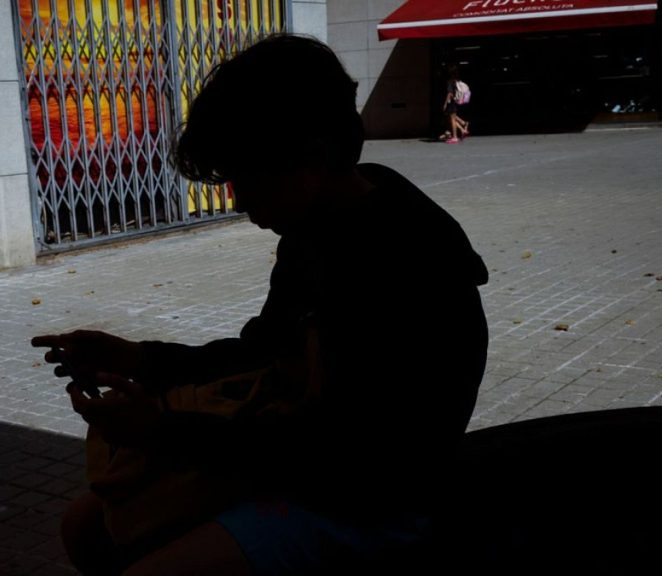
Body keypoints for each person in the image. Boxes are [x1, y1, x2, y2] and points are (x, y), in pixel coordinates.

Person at [33, 34, 489, 575]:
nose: (236, 198)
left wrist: (160, 430)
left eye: (244, 176)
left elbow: (336, 453)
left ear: (312, 160)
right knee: (85, 525)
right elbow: (263, 350)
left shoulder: (400, 265)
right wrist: (138, 359)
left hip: (377, 502)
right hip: (313, 462)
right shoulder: (319, 227)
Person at [441, 65, 469, 144]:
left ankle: (455, 137)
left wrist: (445, 103)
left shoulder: (450, 81)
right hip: (454, 101)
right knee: (452, 117)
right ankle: (463, 127)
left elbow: (449, 93)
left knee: (452, 119)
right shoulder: (456, 80)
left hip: (451, 102)